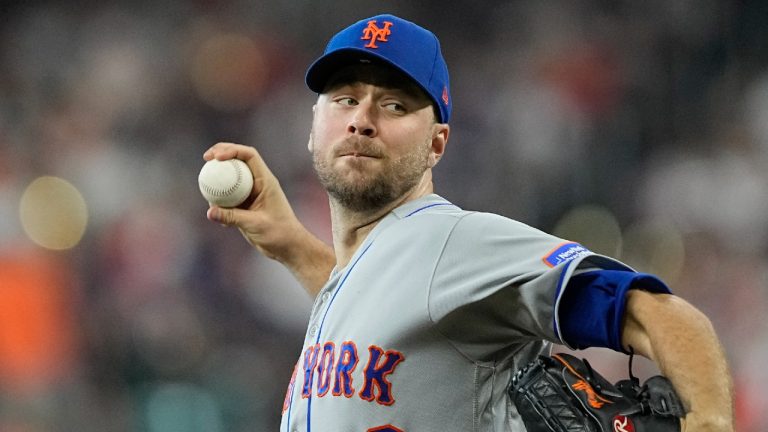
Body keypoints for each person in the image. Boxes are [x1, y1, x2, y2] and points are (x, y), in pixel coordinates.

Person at [203, 14, 733, 432]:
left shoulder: (455, 242)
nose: (362, 118)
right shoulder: (376, 271)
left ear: (437, 143)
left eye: (393, 104)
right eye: (345, 99)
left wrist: (709, 423)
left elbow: (661, 315)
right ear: (314, 126)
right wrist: (295, 247)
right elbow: (390, 314)